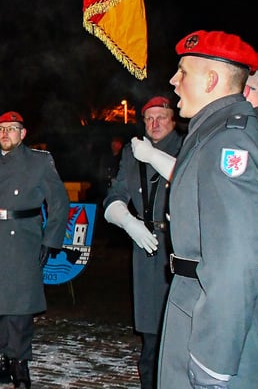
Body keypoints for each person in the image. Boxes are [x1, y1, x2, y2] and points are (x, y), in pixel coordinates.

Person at [158, 30, 258, 388]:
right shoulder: (222, 134)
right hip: (215, 310)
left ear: (211, 80)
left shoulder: (227, 143)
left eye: (183, 72)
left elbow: (236, 259)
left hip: (214, 325)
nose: (173, 81)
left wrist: (213, 359)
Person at [0, 111, 69, 389]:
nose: (5, 133)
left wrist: (50, 241)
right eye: (1, 128)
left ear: (23, 134)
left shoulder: (39, 161)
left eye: (12, 128)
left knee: (21, 307)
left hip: (24, 239)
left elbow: (59, 202)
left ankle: (19, 362)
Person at [102, 95, 182, 389]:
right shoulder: (132, 151)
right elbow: (115, 195)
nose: (154, 123)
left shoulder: (188, 146)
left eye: (161, 117)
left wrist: (153, 156)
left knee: (177, 328)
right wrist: (128, 221)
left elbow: (189, 180)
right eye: (149, 118)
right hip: (145, 245)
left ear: (173, 119)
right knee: (150, 333)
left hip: (178, 245)